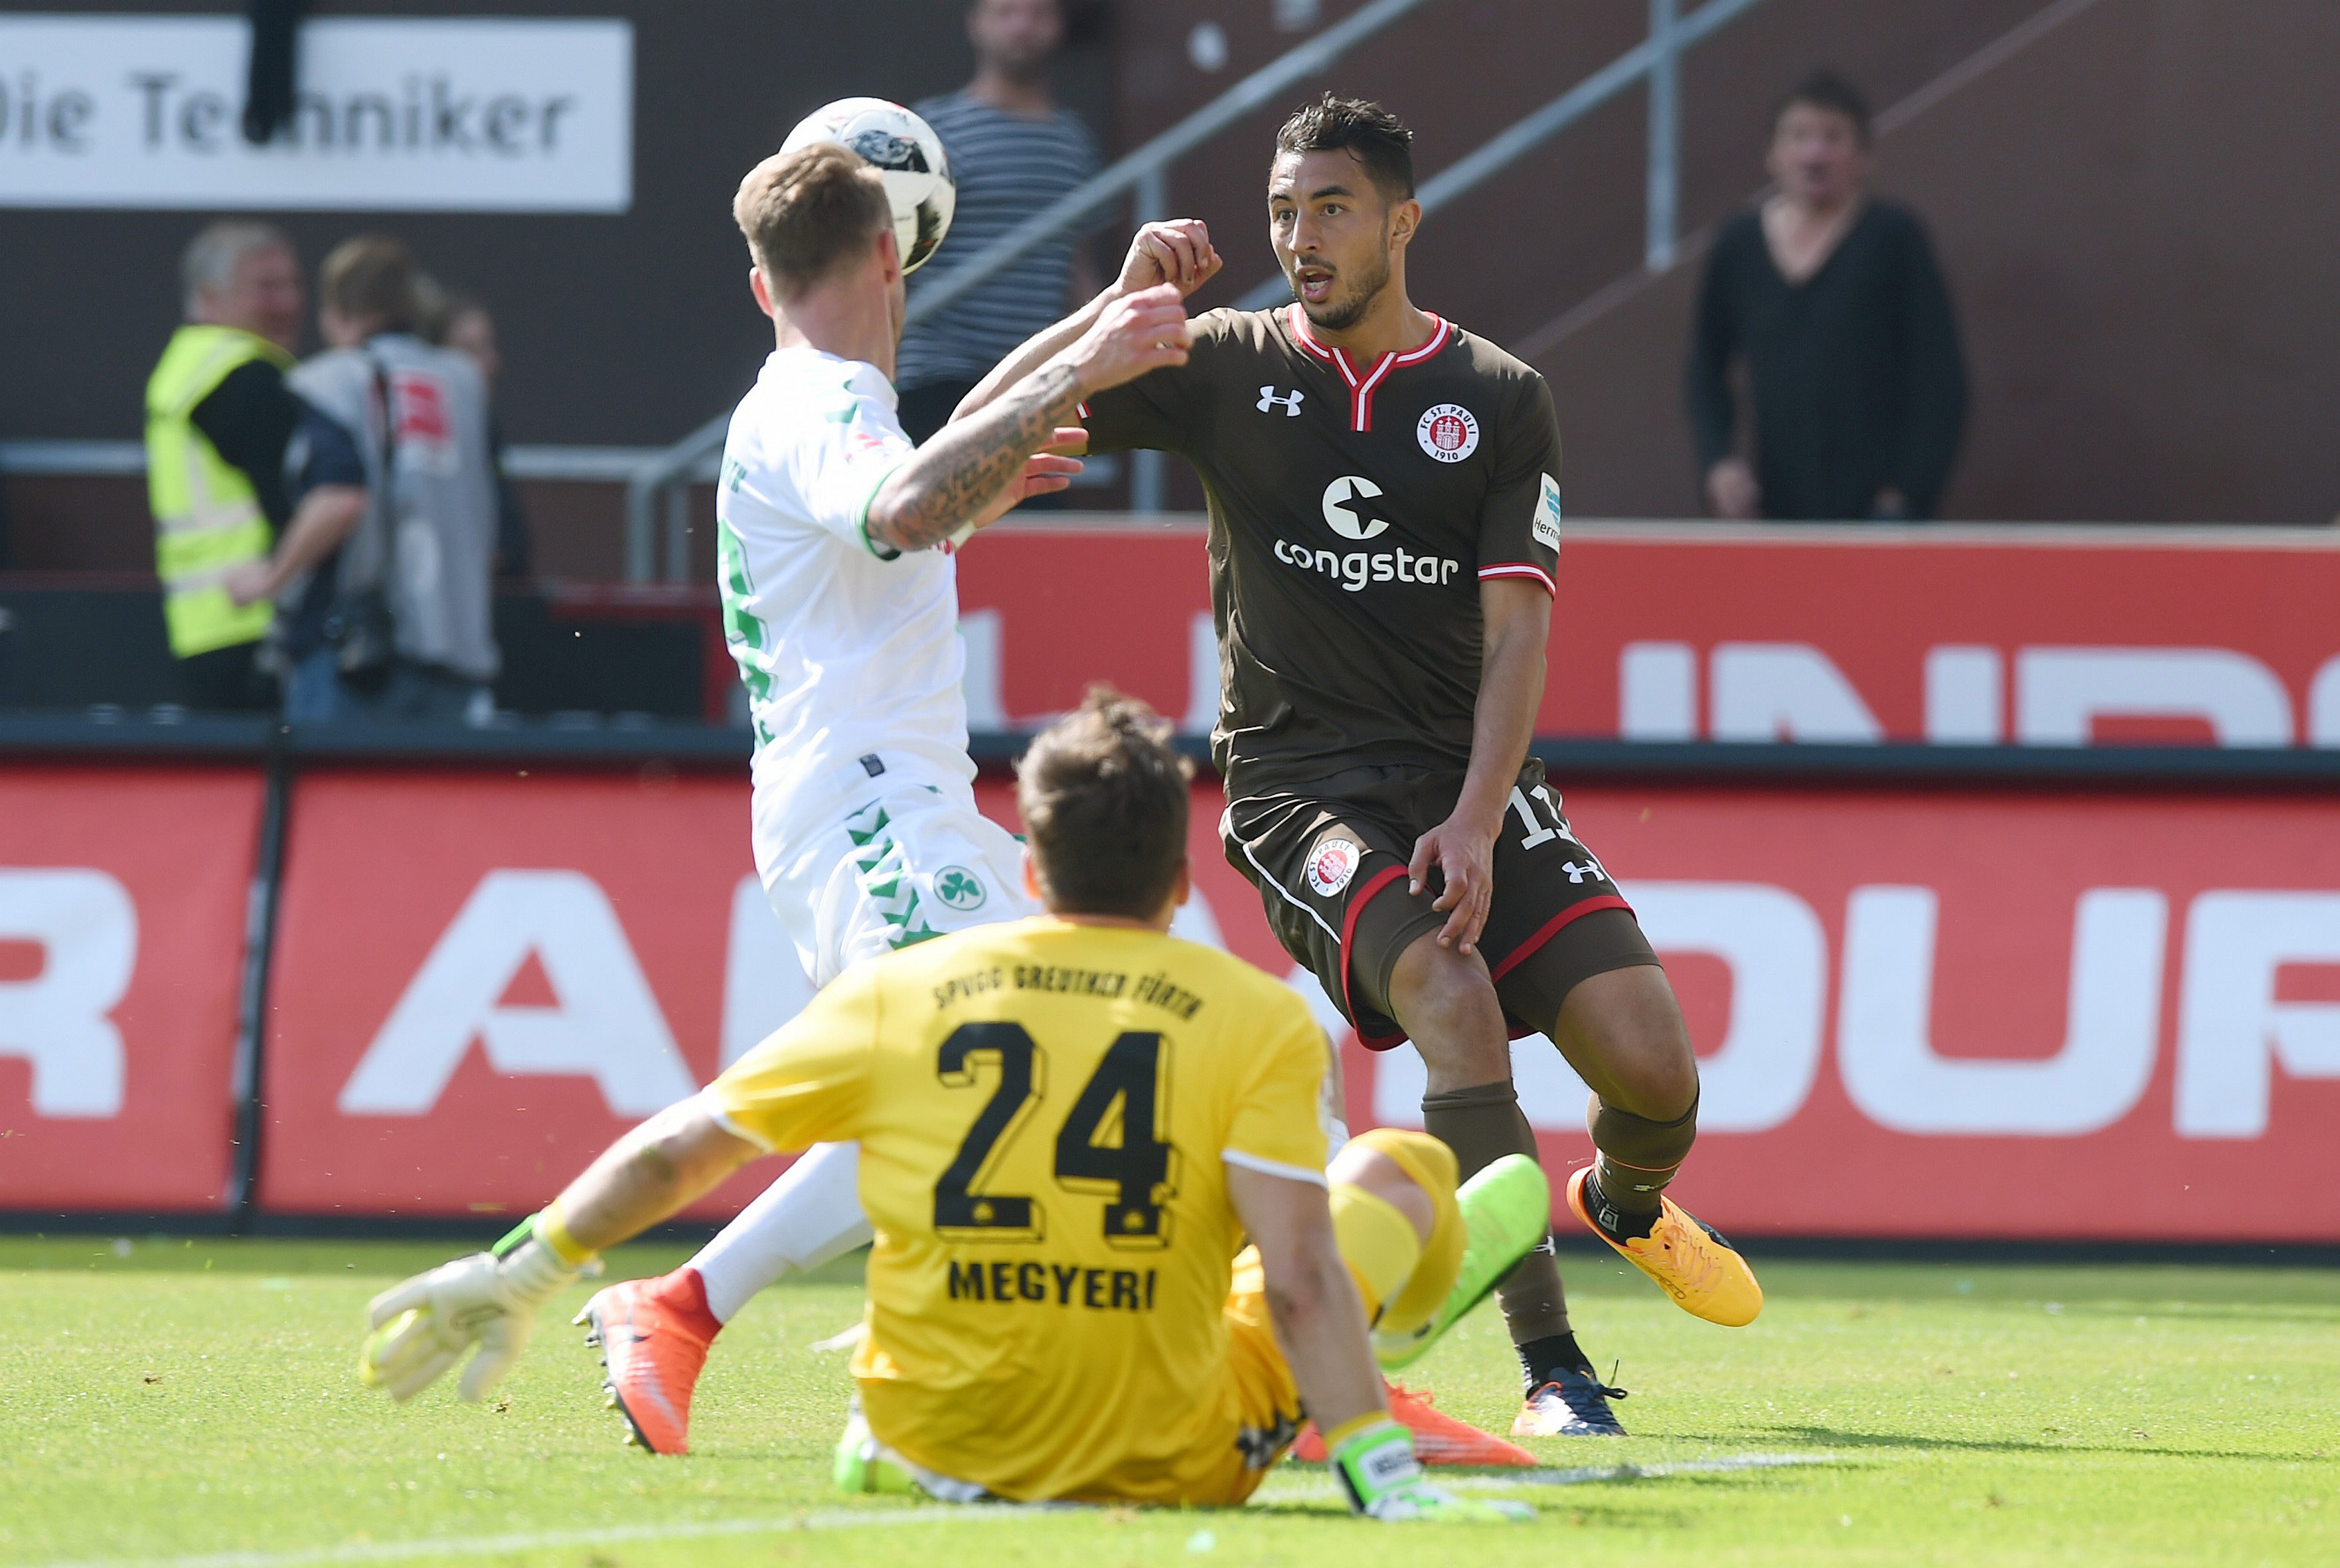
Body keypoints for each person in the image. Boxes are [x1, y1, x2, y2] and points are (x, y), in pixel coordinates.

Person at [957, 95, 1765, 1439]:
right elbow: (984, 415)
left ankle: (1622, 1201)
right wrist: (1110, 314)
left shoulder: (1497, 397)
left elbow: (1519, 636)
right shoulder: (1221, 364)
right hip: (1299, 789)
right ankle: (1554, 1367)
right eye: (1281, 211)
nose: (1298, 237)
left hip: (1471, 782)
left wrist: (1468, 813)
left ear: (1401, 220)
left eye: (1327, 208)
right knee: (1447, 995)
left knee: (1656, 1074)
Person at [357, 691, 1545, 1521]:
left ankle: (1362, 1353)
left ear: (1027, 872)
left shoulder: (903, 992)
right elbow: (1294, 1274)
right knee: (1400, 1169)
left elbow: (683, 1149)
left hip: (922, 1440)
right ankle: (1372, 1371)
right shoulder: (1254, 1017)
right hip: (1168, 1453)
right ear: (1181, 887)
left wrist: (528, 1260)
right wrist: (1382, 1478)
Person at [562, 142, 1249, 1457]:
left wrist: (1097, 322)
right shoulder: (817, 403)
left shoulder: (834, 396)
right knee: (965, 1071)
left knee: (1085, 1043)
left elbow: (927, 472)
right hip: (869, 806)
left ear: (759, 283)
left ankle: (1229, 1340)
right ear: (893, 250)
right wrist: (1088, 365)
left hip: (898, 801)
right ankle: (684, 1299)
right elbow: (911, 501)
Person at [1687, 70, 1968, 522]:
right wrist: (1718, 461)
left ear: (1864, 156)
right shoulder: (1737, 245)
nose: (1814, 153)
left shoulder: (1894, 239)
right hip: (1770, 510)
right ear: (1772, 154)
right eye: (1798, 136)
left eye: (1832, 137)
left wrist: (1907, 493)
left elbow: (1939, 379)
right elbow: (1704, 370)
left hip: (1877, 514)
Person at [272, 236, 503, 723]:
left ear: (336, 310)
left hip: (359, 657)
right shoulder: (464, 383)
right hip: (458, 649)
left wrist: (270, 579)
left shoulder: (333, 380)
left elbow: (339, 497)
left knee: (333, 799)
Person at [892, 0, 1107, 447]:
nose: (1022, 27)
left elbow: (1077, 265)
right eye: (1006, 11)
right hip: (939, 376)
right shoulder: (933, 129)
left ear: (1059, 26)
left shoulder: (1073, 141)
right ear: (976, 24)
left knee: (1037, 517)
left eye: (1038, 13)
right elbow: (891, 253)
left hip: (1034, 378)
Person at [143, 221, 312, 711]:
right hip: (261, 620)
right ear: (209, 296)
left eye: (292, 285)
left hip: (204, 627)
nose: (288, 303)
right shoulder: (243, 378)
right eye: (266, 287)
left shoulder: (182, 369)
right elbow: (297, 502)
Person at [426, 289, 532, 580]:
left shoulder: (487, 431)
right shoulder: (428, 447)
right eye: (470, 351)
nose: (489, 364)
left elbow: (509, 542)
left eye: (488, 347)